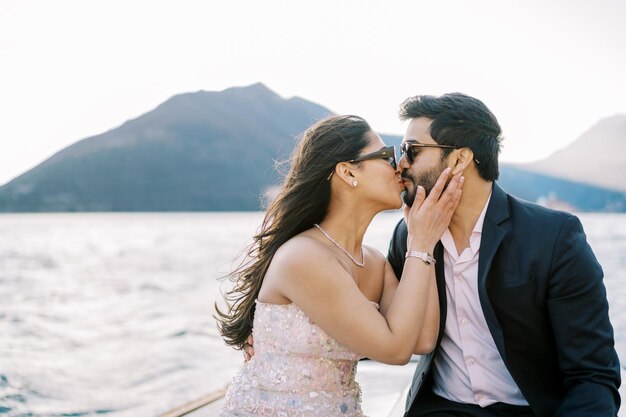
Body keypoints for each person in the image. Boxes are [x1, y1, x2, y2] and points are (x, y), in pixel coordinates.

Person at [387, 93, 621, 417]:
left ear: (459, 159)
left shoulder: (553, 237)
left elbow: (593, 375)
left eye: (411, 151)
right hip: (440, 409)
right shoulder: (407, 238)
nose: (401, 164)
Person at [215, 114, 463, 417]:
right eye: (386, 156)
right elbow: (396, 351)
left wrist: (425, 238)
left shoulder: (374, 263)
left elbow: (422, 339)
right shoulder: (303, 257)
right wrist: (421, 244)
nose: (399, 166)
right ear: (347, 172)